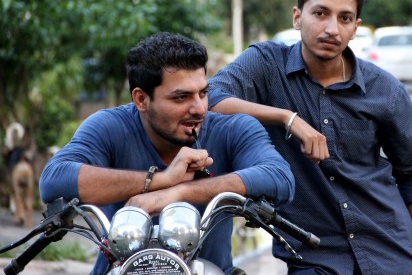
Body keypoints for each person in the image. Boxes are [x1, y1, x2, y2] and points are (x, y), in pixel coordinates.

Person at [208, 0, 412, 275]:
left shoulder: (385, 90)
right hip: (316, 257)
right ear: (297, 16)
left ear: (356, 27)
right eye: (320, 13)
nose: (332, 29)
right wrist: (288, 118)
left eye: (344, 18)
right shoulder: (266, 65)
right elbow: (210, 99)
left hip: (391, 254)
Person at [39, 32, 295, 275]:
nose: (199, 108)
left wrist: (176, 193)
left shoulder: (232, 129)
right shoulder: (109, 126)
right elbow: (53, 180)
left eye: (203, 93)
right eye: (181, 97)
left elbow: (279, 177)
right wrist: (161, 180)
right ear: (141, 100)